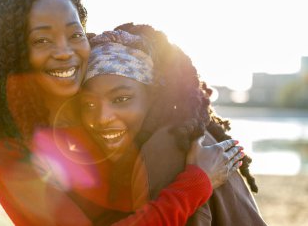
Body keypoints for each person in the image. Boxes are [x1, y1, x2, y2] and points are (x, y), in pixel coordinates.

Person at [0, 0, 244, 225]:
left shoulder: (100, 82)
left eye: (75, 34)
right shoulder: (9, 148)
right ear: (14, 54)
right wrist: (196, 182)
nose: (64, 51)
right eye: (42, 40)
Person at [99, 23, 267, 225]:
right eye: (89, 104)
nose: (102, 117)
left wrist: (194, 183)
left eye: (121, 99)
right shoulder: (180, 133)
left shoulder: (167, 148)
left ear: (154, 96)